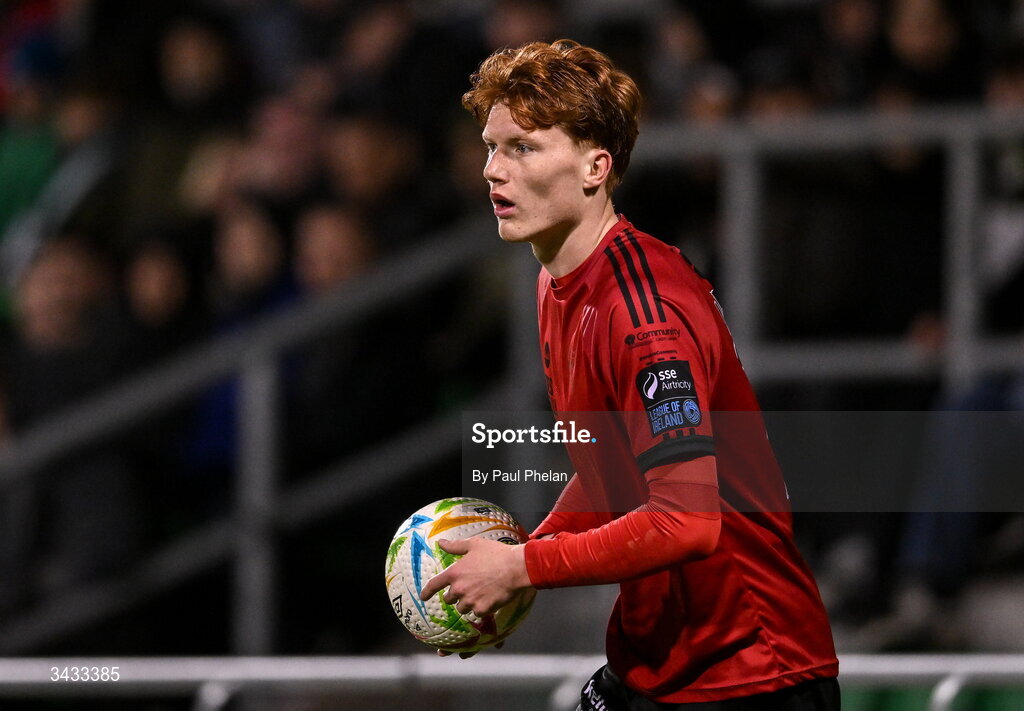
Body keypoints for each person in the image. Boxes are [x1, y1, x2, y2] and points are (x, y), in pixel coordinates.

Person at [420, 40, 840, 709]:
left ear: (595, 166)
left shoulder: (643, 316)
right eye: (490, 146)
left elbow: (686, 521)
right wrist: (518, 562)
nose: (493, 171)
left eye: (523, 148)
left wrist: (525, 565)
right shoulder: (555, 281)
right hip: (662, 660)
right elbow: (608, 470)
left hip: (750, 670)